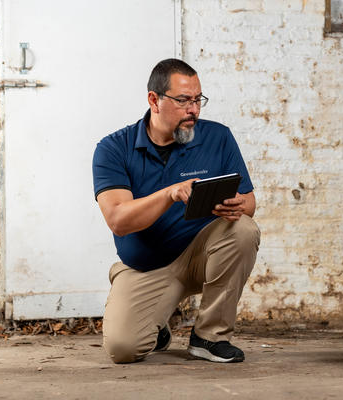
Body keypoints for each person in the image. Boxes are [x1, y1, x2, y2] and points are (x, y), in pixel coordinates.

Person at [92, 58, 260, 364]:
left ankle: (209, 338)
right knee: (124, 348)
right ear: (154, 100)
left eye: (198, 100)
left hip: (201, 257)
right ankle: (155, 323)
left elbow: (249, 201)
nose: (193, 110)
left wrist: (239, 205)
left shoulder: (218, 137)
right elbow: (118, 220)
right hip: (148, 265)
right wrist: (169, 194)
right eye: (183, 100)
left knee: (244, 230)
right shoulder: (113, 148)